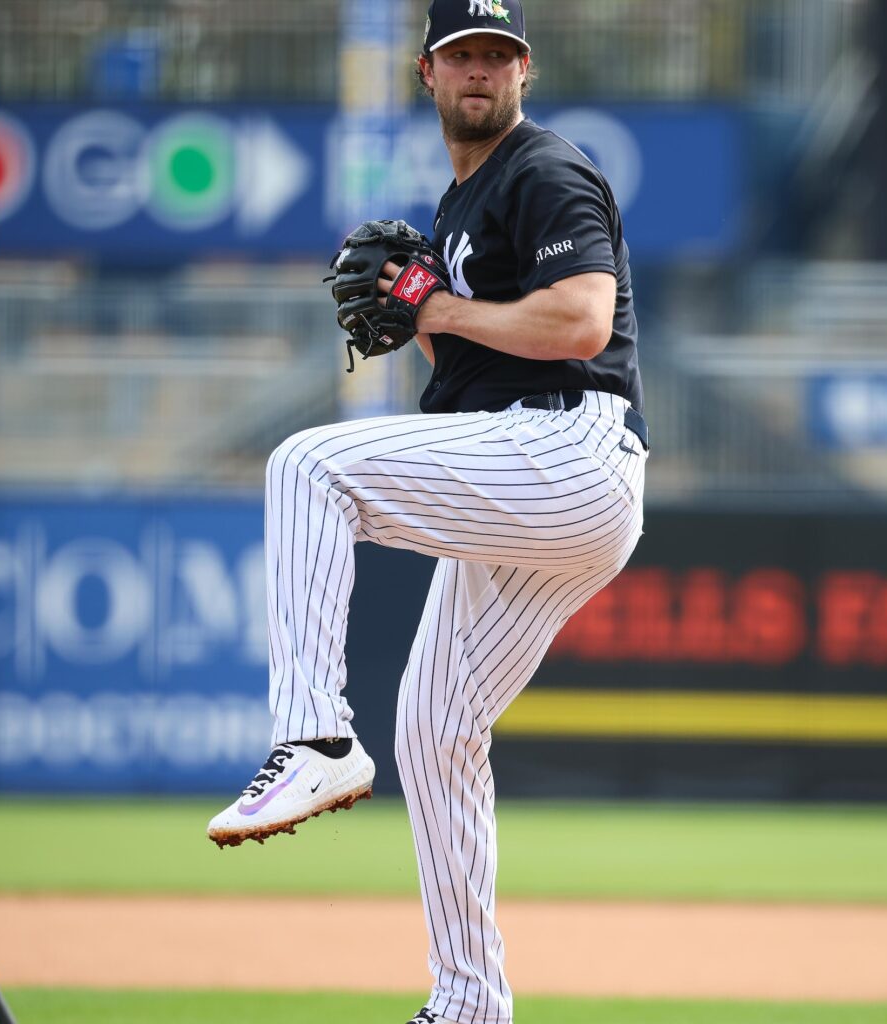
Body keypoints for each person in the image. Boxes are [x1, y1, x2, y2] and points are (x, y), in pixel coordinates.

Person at [204, 1, 647, 1021]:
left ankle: (313, 737)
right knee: (436, 727)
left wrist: (434, 305)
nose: (481, 69)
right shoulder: (456, 212)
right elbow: (475, 369)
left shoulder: (544, 170)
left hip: (569, 448)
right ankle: (470, 1005)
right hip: (538, 474)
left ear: (525, 71)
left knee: (309, 465)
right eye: (464, 55)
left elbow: (582, 318)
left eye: (499, 54)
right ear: (429, 74)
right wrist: (418, 322)